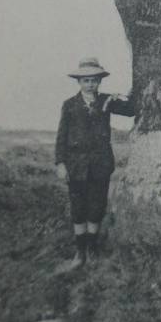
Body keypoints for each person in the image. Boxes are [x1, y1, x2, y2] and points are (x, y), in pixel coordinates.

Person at [55, 57, 136, 268]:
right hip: (76, 165)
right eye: (86, 80)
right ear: (79, 82)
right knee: (78, 208)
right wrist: (60, 163)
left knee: (97, 206)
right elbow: (61, 136)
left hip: (101, 164)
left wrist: (128, 96)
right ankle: (80, 253)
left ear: (99, 81)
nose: (90, 84)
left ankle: (92, 249)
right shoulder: (70, 105)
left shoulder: (107, 101)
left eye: (94, 80)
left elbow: (132, 110)